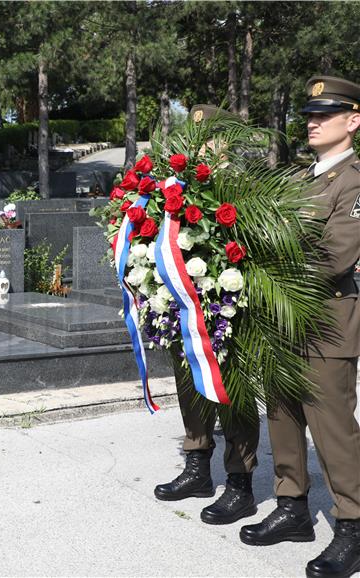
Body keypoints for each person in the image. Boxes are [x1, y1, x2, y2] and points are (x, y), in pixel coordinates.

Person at [239, 76, 360, 578]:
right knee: (284, 419)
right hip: (283, 318)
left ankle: (353, 525)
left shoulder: (354, 181)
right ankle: (292, 508)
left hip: (326, 320)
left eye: (324, 115)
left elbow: (335, 256)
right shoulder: (301, 180)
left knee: (333, 429)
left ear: (353, 121)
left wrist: (264, 270)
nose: (312, 122)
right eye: (310, 115)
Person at [153, 105, 260, 526]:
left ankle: (240, 483)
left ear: (226, 140)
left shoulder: (244, 185)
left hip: (228, 306)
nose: (202, 146)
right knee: (189, 382)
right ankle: (197, 467)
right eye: (196, 138)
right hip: (185, 303)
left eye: (210, 137)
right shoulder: (178, 185)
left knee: (232, 388)